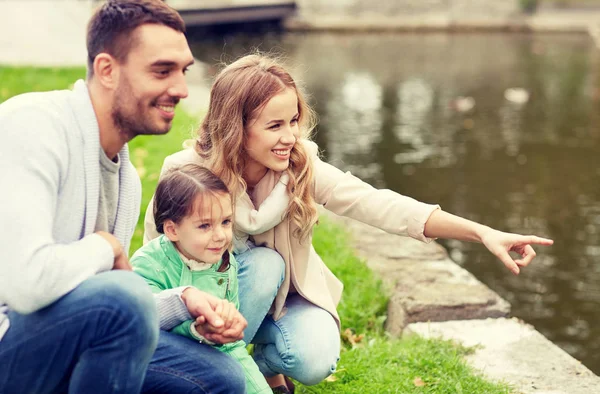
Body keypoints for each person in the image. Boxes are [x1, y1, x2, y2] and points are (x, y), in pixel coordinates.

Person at [143, 53, 554, 392]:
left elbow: (378, 204)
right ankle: (219, 369)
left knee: (316, 357)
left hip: (283, 299)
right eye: (274, 126)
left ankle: (263, 363)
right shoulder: (185, 173)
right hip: (203, 308)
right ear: (237, 128)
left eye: (293, 121)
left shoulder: (299, 166)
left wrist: (482, 232)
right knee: (264, 266)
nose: (290, 136)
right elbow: (156, 258)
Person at [0, 1, 246, 393]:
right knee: (124, 295)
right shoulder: (33, 126)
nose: (181, 89)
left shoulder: (125, 178)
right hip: (8, 341)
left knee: (220, 379)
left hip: (58, 339)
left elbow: (104, 310)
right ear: (107, 70)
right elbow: (27, 285)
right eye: (161, 71)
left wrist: (184, 300)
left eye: (183, 71)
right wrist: (105, 245)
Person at [132, 164, 287, 394]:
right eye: (204, 225)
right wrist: (195, 330)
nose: (220, 236)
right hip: (155, 362)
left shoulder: (225, 263)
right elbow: (144, 328)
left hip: (210, 354)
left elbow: (232, 347)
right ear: (172, 230)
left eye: (225, 222)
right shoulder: (148, 264)